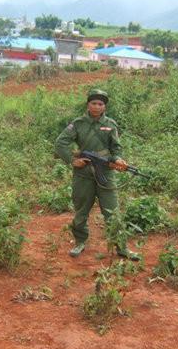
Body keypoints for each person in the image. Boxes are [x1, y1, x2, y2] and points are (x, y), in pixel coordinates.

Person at [55, 89, 140, 260]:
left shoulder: (110, 124)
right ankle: (80, 242)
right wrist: (72, 160)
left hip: (105, 173)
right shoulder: (78, 124)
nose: (96, 106)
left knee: (112, 211)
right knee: (81, 211)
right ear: (88, 104)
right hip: (83, 174)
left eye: (100, 104)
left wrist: (119, 160)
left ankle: (121, 247)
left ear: (104, 107)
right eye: (93, 103)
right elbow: (60, 143)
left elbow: (116, 148)